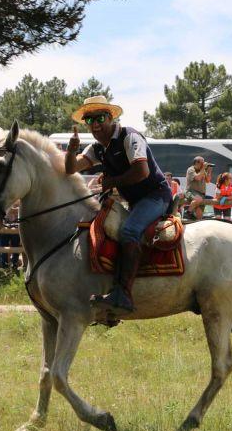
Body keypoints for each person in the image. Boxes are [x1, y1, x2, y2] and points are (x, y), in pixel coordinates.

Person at [65, 95, 172, 313]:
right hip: (137, 202)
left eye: (100, 118)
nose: (95, 124)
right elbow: (71, 168)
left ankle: (124, 294)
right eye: (89, 120)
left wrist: (111, 181)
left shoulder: (129, 137)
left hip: (156, 196)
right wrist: (72, 150)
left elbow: (142, 171)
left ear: (111, 117)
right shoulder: (97, 148)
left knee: (129, 231)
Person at [0, 202, 22, 270]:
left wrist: (13, 209)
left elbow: (16, 210)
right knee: (4, 247)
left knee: (15, 247)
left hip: (15, 229)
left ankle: (14, 264)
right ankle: (4, 264)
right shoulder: (5, 203)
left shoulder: (17, 202)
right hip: (5, 228)